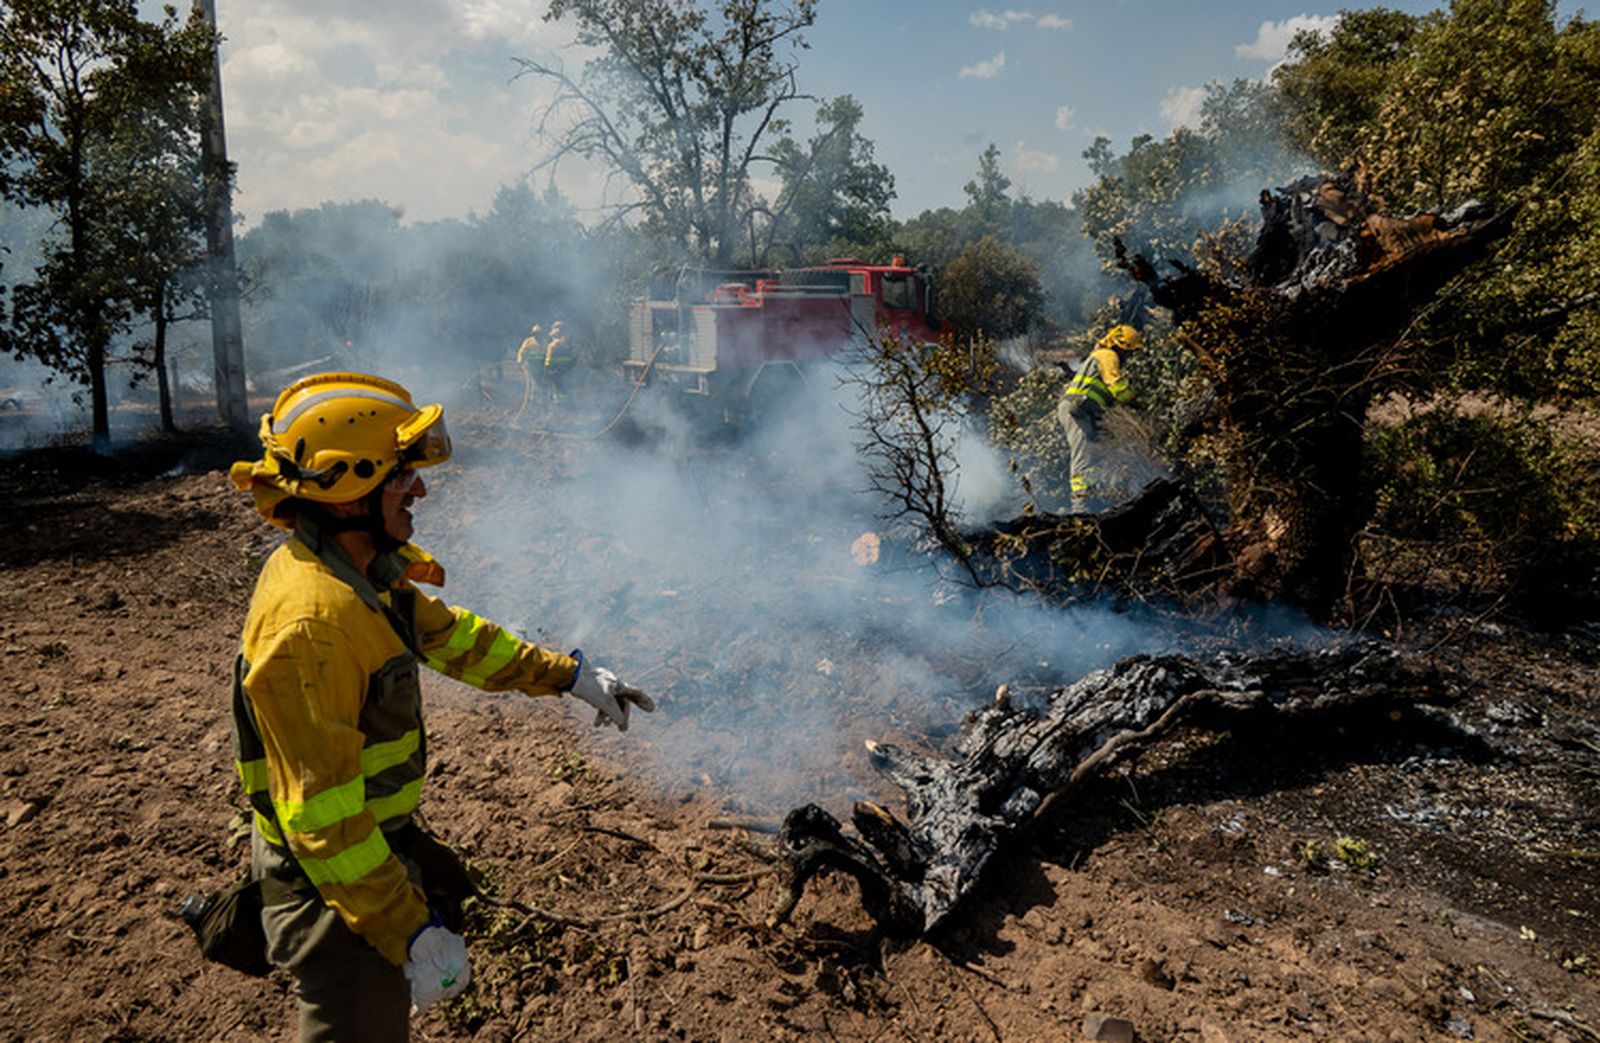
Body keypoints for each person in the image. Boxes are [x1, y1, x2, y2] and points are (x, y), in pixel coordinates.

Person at [227, 372, 653, 1040]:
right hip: (336, 893)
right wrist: (411, 931)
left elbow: (455, 639)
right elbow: (323, 822)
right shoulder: (312, 623)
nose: (419, 488)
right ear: (347, 486)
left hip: (363, 868)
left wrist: (567, 676)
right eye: (401, 475)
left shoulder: (361, 571)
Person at [1056, 324, 1142, 512]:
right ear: (1121, 346)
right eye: (1129, 351)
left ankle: (1092, 500)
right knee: (1083, 455)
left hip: (1084, 411)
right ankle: (1080, 509)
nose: (1129, 357)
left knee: (1095, 456)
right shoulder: (1107, 355)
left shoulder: (1100, 355)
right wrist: (1136, 399)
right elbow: (1117, 386)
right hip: (1077, 411)